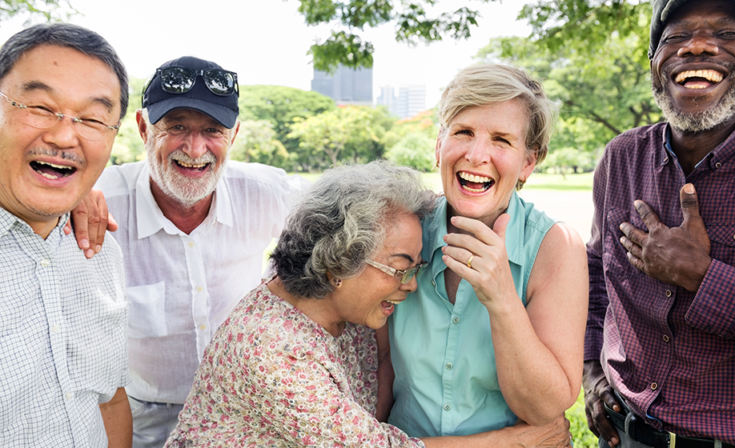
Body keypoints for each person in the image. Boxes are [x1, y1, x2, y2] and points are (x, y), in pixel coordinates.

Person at [165, 161, 571, 447]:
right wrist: (517, 442)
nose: (411, 286)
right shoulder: (270, 349)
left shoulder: (346, 312)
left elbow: (379, 382)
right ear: (340, 261)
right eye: (401, 268)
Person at [583, 0, 735, 448]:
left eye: (728, 34)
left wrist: (703, 277)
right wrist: (591, 371)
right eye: (677, 37)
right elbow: (595, 272)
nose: (698, 47)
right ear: (655, 66)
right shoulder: (621, 157)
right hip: (624, 428)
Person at [89, 55, 306, 447]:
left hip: (243, 411)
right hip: (142, 418)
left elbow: (347, 218)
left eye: (212, 130)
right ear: (143, 128)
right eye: (176, 127)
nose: (195, 148)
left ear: (234, 135)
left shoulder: (264, 192)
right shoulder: (98, 200)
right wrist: (69, 199)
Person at [385, 64, 589, 436]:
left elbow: (544, 408)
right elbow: (378, 368)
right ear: (439, 146)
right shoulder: (402, 229)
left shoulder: (557, 248)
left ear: (529, 162)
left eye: (501, 140)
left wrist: (502, 299)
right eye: (463, 132)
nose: (477, 155)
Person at [0, 23, 131, 446]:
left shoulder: (99, 249)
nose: (62, 135)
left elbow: (109, 400)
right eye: (39, 107)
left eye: (93, 119)